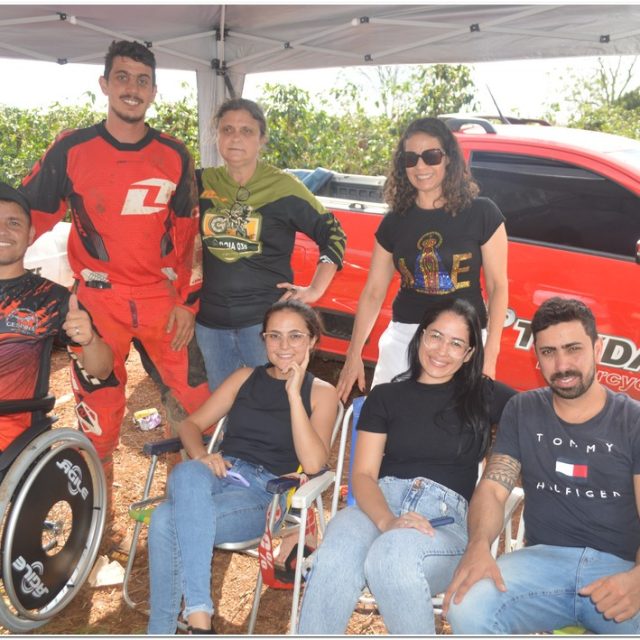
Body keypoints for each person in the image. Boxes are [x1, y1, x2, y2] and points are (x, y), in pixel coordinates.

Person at [18, 40, 210, 519]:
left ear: (154, 91)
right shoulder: (72, 148)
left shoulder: (175, 154)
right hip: (99, 301)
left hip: (162, 301)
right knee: (100, 417)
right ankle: (95, 518)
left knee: (196, 404)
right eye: (122, 77)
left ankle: (185, 504)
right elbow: (26, 216)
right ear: (104, 84)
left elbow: (189, 236)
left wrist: (187, 302)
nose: (132, 88)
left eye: (143, 80)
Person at [297, 298, 516, 634]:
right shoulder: (386, 397)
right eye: (436, 336)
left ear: (469, 354)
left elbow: (541, 414)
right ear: (421, 336)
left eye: (456, 343)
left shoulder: (483, 394)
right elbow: (364, 475)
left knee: (392, 556)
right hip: (377, 506)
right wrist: (388, 521)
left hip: (444, 523)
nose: (442, 350)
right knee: (336, 553)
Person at [444, 297, 640, 635]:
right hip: (541, 565)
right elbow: (493, 488)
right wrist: (478, 546)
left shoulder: (632, 420)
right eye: (548, 352)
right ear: (536, 356)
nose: (562, 365)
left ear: (598, 349)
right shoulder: (523, 410)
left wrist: (637, 579)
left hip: (620, 570)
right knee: (468, 606)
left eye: (573, 349)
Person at [147, 299, 339, 634]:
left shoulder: (321, 393)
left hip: (266, 493)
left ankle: (168, 628)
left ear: (312, 341)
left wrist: (294, 395)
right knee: (187, 470)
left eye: (295, 336)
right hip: (221, 472)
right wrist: (202, 455)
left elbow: (313, 462)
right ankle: (199, 620)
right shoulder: (245, 377)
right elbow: (190, 425)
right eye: (274, 335)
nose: (283, 345)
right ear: (263, 339)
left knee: (165, 519)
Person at [336, 117, 508, 403]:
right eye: (411, 158)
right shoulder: (394, 221)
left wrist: (489, 354)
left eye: (431, 156)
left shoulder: (481, 213)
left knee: (450, 421)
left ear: (448, 158)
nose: (420, 166)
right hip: (405, 336)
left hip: (461, 341)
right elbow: (373, 292)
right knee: (385, 415)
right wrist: (353, 355)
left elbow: (498, 287)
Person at [196, 97, 347, 391]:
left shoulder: (282, 187)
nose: (235, 138)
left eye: (246, 131)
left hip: (265, 327)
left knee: (275, 403)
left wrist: (316, 289)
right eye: (227, 130)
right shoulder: (201, 182)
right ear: (217, 136)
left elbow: (334, 233)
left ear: (262, 138)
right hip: (211, 326)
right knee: (225, 408)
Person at [0, 182, 113, 451]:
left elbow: (102, 370)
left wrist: (90, 340)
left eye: (13, 222)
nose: (3, 230)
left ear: (31, 234)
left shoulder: (51, 298)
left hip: (15, 449)